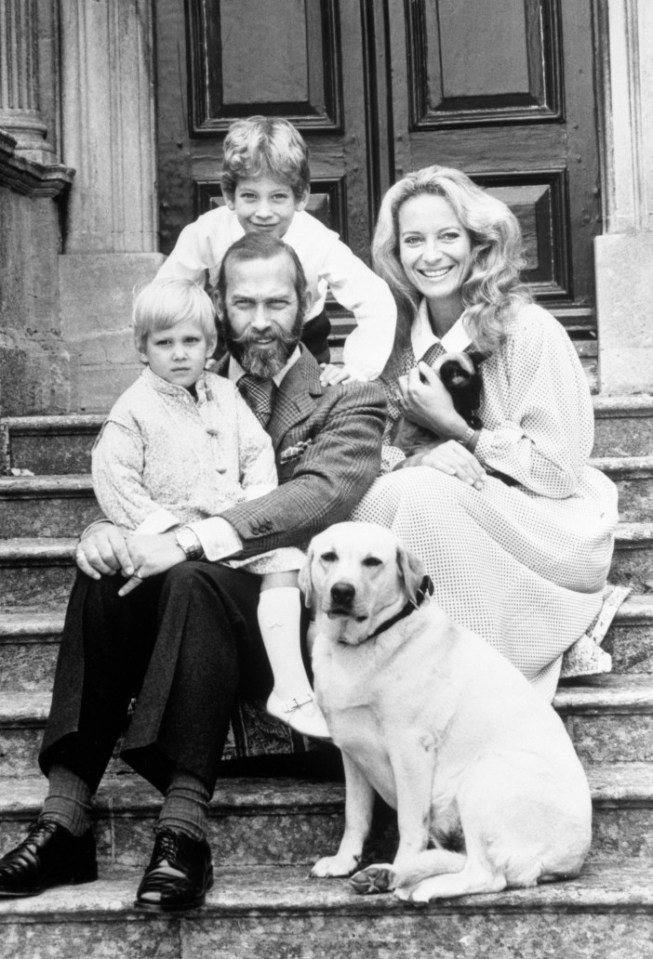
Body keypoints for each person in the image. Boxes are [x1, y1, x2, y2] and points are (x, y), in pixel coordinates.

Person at [0, 234, 386, 910]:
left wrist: (186, 540)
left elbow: (318, 493)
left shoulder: (346, 396)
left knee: (190, 576)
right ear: (220, 310)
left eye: (277, 301)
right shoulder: (171, 383)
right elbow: (130, 477)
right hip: (187, 604)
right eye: (244, 302)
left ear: (308, 304)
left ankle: (183, 831)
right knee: (102, 574)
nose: (260, 318)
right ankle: (65, 815)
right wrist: (108, 533)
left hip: (283, 611)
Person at [350, 165, 619, 700]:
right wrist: (416, 458)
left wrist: (459, 432)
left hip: (544, 518)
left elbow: (559, 470)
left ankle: (465, 685)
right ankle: (392, 682)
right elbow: (364, 447)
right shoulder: (391, 340)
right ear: (395, 253)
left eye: (448, 236)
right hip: (438, 496)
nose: (431, 255)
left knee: (423, 498)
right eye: (413, 241)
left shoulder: (527, 329)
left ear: (478, 243)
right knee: (376, 502)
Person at [91, 276, 329, 741]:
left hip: (228, 529)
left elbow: (257, 452)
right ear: (142, 348)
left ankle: (291, 685)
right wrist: (162, 532)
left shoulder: (225, 394)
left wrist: (255, 504)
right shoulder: (131, 409)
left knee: (288, 560)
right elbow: (116, 481)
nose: (179, 354)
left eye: (190, 341)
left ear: (210, 343)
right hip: (168, 537)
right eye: (164, 343)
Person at [156, 114, 397, 384]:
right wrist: (190, 349)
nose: (263, 212)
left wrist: (359, 368)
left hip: (303, 347)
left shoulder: (318, 240)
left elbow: (376, 299)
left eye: (278, 197)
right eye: (249, 196)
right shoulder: (207, 233)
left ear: (302, 197)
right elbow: (164, 296)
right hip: (230, 346)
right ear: (228, 195)